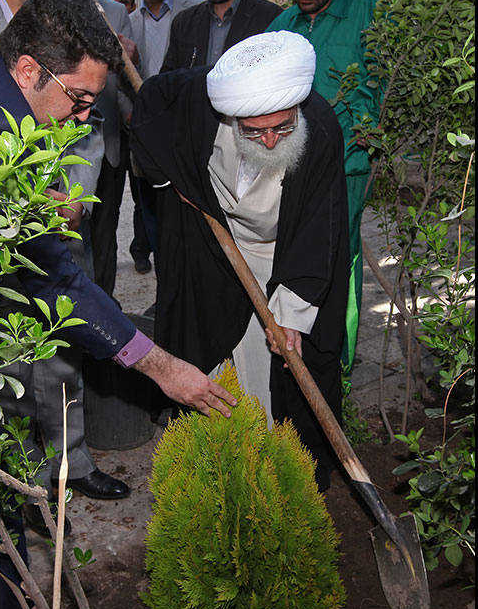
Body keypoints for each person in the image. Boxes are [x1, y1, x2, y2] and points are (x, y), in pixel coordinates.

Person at [0, 0, 236, 609]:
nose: (80, 120)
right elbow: (60, 285)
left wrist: (21, 195)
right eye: (77, 100)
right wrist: (163, 368)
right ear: (27, 70)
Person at [0, 0, 140, 521]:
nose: (85, 8)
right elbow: (58, 280)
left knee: (51, 355)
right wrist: (153, 361)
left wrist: (71, 196)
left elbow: (83, 128)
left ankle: (55, 467)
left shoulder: (34, 60)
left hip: (49, 217)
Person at [130, 30, 349, 492]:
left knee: (283, 370)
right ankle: (221, 462)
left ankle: (279, 469)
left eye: (283, 127)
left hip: (284, 256)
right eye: (255, 130)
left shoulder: (322, 128)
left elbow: (319, 230)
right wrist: (168, 183)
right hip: (216, 246)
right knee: (213, 349)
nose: (270, 141)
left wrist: (290, 314)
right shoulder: (195, 97)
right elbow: (149, 101)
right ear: (231, 118)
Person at [266, 0, 382, 375]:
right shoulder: (285, 23)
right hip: (287, 169)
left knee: (338, 269)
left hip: (346, 173)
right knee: (293, 262)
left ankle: (338, 371)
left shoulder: (373, 14)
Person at [126, 0, 204, 268]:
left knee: (193, 223)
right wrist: (136, 120)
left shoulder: (196, 13)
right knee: (154, 219)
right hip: (144, 139)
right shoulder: (125, 24)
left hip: (187, 136)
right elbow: (117, 86)